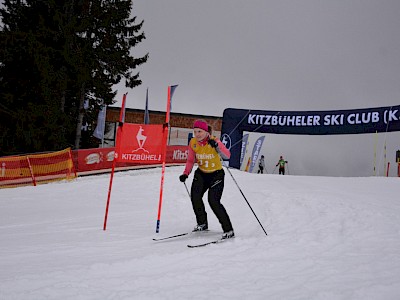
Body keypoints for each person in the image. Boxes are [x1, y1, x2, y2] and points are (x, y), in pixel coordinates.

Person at [179, 119, 235, 239]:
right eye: (195, 132)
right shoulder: (193, 142)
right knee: (195, 197)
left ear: (205, 131)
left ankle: (228, 229)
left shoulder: (214, 141)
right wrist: (185, 173)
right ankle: (202, 223)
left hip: (216, 175)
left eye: (199, 131)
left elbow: (227, 155)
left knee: (213, 201)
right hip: (201, 174)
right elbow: (190, 160)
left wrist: (217, 147)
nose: (197, 134)